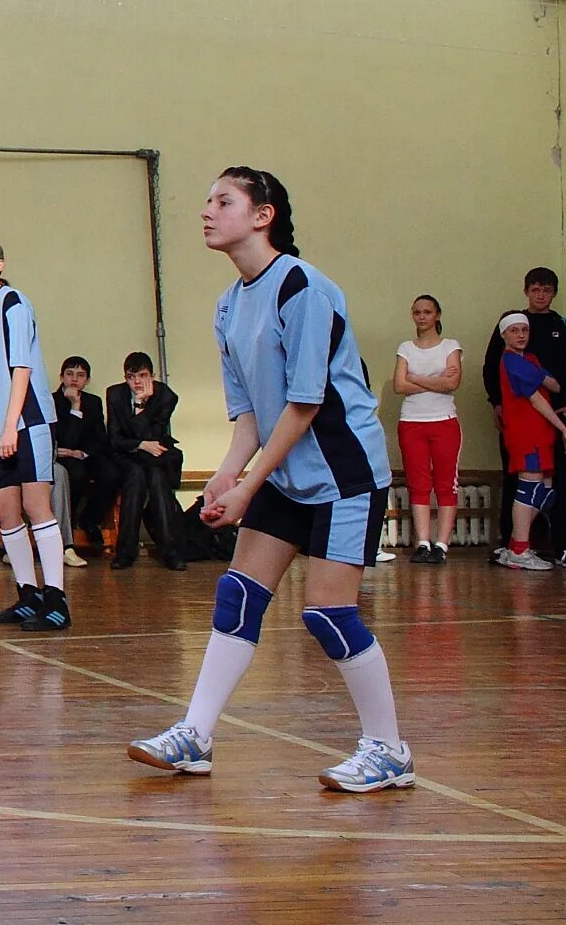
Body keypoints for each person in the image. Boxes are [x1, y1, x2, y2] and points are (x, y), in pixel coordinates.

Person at [128, 167, 410, 792]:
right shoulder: (229, 305)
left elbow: (304, 405)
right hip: (285, 471)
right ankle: (195, 736)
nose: (205, 211)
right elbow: (252, 416)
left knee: (328, 614)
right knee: (238, 594)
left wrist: (248, 488)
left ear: (264, 215)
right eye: (205, 201)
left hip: (342, 473)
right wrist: (223, 481)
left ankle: (389, 750)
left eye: (222, 201)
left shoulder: (303, 289)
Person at [0, 238, 69, 631]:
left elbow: (22, 368)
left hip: (29, 422)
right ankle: (28, 594)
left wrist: (10, 426)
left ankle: (56, 599)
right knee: (5, 511)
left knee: (37, 506)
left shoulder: (14, 303)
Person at [480, 267, 566, 558]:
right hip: (526, 426)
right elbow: (531, 394)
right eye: (535, 289)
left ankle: (538, 543)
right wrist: (497, 403)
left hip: (547, 424)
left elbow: (552, 382)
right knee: (524, 486)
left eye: (547, 290)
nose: (520, 335)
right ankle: (516, 546)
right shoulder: (512, 356)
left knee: (547, 486)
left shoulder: (534, 350)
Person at [394, 295, 462, 565]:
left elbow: (452, 383)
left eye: (427, 312)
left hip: (444, 420)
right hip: (411, 421)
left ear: (437, 315)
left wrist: (415, 378)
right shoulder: (406, 348)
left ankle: (442, 544)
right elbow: (400, 386)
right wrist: (435, 380)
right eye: (417, 312)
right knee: (418, 483)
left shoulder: (450, 346)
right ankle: (423, 541)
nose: (422, 317)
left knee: (446, 484)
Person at [106, 352, 186, 571]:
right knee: (135, 476)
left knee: (157, 479)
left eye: (143, 376)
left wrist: (141, 406)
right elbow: (114, 439)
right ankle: (125, 552)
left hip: (154, 456)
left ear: (152, 375)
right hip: (126, 455)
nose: (137, 382)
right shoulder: (114, 394)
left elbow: (155, 435)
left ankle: (172, 552)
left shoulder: (166, 396)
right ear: (125, 377)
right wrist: (140, 443)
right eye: (132, 377)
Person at [52, 356, 115, 558]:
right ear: (61, 377)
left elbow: (100, 438)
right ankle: (69, 526)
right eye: (69, 374)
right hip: (61, 456)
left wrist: (82, 453)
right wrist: (74, 408)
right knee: (76, 474)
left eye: (80, 375)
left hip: (85, 455)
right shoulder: (51, 401)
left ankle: (90, 519)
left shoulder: (94, 402)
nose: (74, 379)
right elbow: (66, 439)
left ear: (87, 380)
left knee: (112, 474)